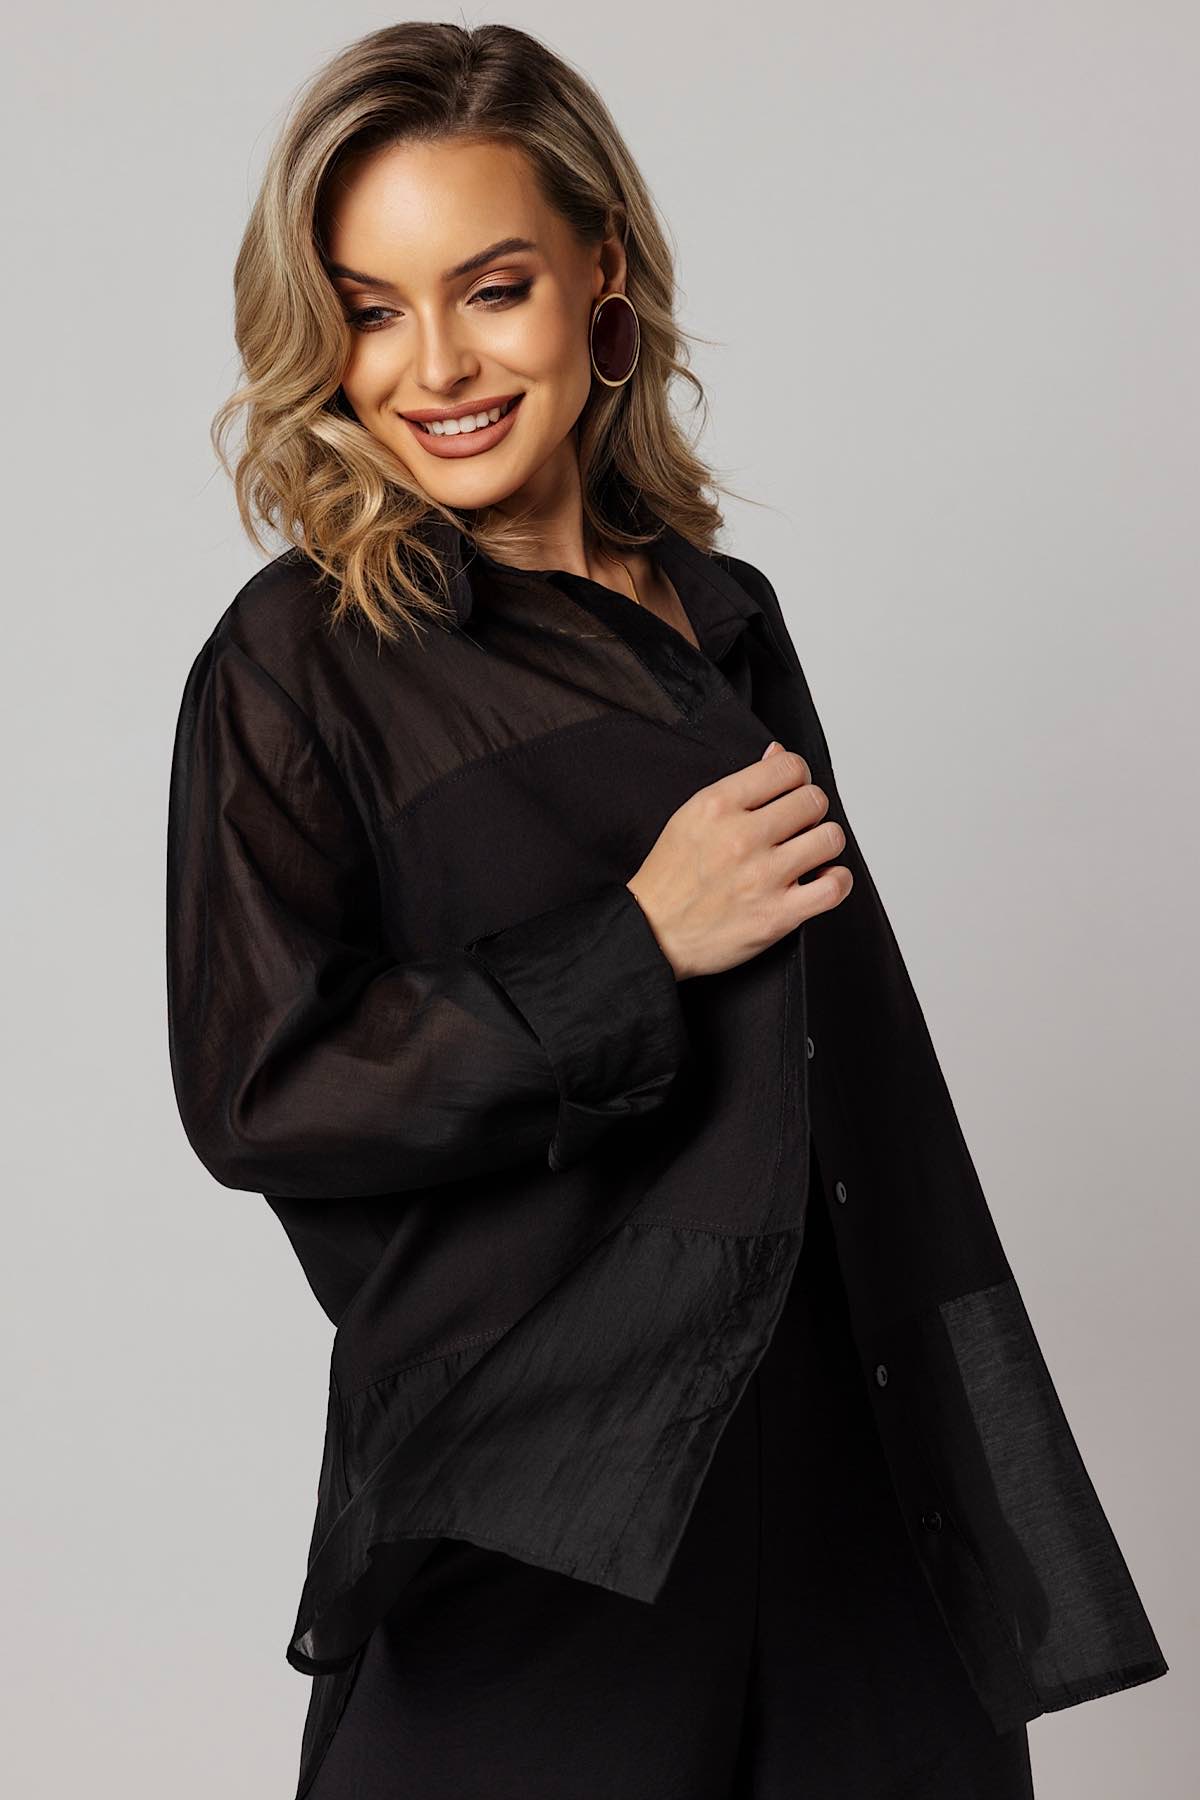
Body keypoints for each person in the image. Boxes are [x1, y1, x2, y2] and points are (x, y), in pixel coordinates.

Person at [165, 21, 1168, 1800]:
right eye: (372, 311)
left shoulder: (727, 618)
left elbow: (847, 1087)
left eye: (491, 288)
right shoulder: (303, 662)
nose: (435, 366)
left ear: (599, 275)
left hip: (852, 1493)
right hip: (559, 1495)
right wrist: (630, 949)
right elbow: (264, 1089)